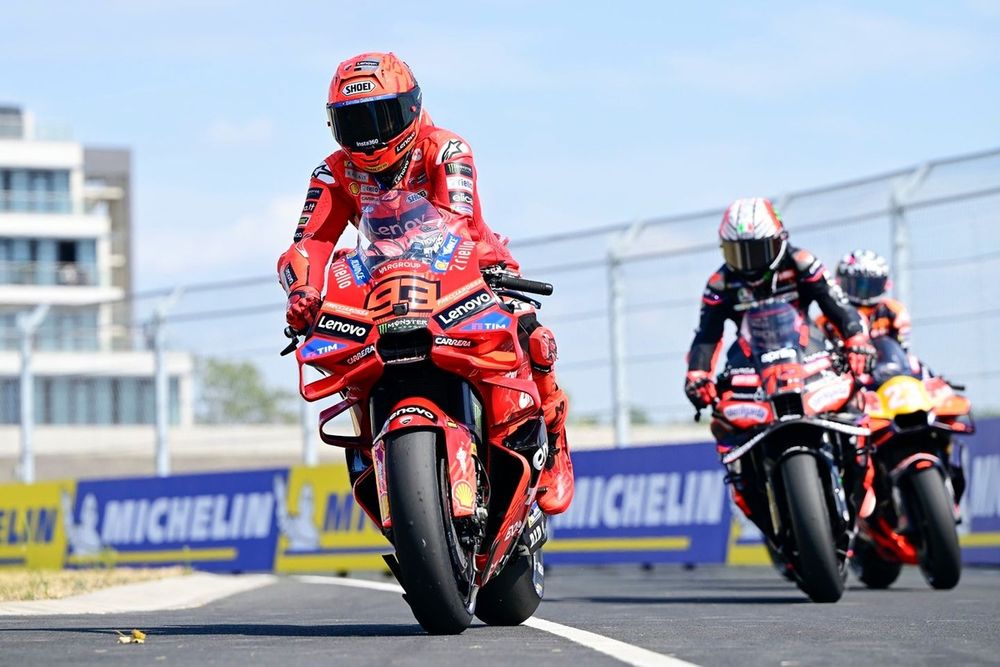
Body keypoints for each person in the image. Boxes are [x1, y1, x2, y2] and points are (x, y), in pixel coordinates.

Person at [275, 52, 572, 515]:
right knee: (347, 360)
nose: (370, 136)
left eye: (383, 115)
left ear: (412, 108)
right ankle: (378, 451)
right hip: (384, 286)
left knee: (530, 334)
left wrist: (484, 270)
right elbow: (309, 243)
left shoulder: (446, 148)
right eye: (355, 123)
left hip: (468, 269)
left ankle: (552, 446)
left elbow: (457, 220)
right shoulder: (331, 173)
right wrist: (303, 292)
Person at [683, 197, 875, 412]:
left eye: (757, 251)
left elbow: (838, 305)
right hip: (749, 362)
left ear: (779, 239)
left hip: (808, 349)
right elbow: (706, 334)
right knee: (724, 417)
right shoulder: (719, 284)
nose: (749, 262)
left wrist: (857, 339)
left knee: (853, 397)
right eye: (738, 252)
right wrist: (697, 374)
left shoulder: (802, 262)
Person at [830, 249, 911, 348]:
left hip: (884, 362)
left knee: (914, 362)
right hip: (846, 362)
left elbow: (903, 350)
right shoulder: (829, 315)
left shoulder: (893, 310)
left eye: (872, 284)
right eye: (858, 284)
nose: (863, 290)